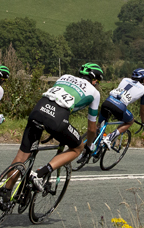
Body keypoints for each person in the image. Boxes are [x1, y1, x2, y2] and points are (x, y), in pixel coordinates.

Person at [9, 62, 103, 190]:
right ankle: (40, 173)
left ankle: (5, 192)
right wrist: (89, 146)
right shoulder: (94, 93)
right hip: (57, 118)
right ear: (95, 80)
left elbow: (54, 99)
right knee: (77, 148)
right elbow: (92, 129)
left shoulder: (64, 77)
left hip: (38, 110)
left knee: (21, 156)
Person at [97, 67, 144, 149]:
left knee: (98, 126)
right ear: (143, 79)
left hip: (107, 102)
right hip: (119, 107)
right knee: (130, 121)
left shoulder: (124, 79)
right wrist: (143, 122)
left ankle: (89, 147)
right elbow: (143, 110)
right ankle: (109, 138)